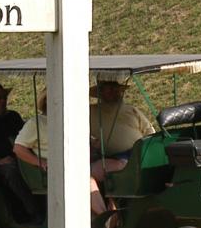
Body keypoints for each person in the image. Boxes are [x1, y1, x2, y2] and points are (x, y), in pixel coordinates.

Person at [12, 88, 122, 219]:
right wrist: (40, 162)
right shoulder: (37, 123)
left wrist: (93, 143)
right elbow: (18, 148)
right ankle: (105, 218)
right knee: (86, 180)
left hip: (82, 164)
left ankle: (116, 208)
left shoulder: (71, 120)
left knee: (118, 166)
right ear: (47, 101)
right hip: (56, 170)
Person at [0, 79, 41, 224]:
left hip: (21, 157)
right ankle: (32, 212)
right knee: (13, 172)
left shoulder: (14, 117)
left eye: (4, 98)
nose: (3, 101)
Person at [89, 79, 155, 223]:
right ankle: (106, 213)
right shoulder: (90, 112)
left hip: (137, 154)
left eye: (116, 88)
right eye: (109, 88)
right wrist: (91, 143)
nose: (114, 92)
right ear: (101, 92)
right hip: (110, 159)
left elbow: (150, 132)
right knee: (92, 173)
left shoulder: (132, 110)